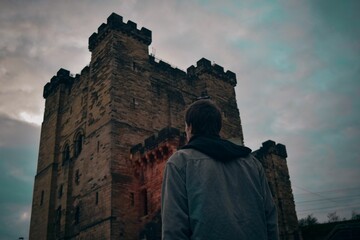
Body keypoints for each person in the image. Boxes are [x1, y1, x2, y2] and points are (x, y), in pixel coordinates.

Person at [161, 99, 279, 240]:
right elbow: (270, 218)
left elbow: (174, 227)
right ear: (218, 127)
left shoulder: (179, 162)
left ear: (190, 127)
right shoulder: (252, 162)